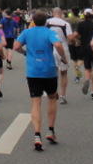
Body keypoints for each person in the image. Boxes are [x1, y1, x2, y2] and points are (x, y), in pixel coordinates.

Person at [13, 10, 66, 151]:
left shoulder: (27, 32)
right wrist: (64, 58)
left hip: (33, 71)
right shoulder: (49, 32)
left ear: (33, 21)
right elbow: (59, 45)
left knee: (36, 101)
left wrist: (25, 52)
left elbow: (16, 47)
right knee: (51, 98)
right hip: (48, 69)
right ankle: (51, 130)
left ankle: (37, 134)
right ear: (46, 22)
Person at [46, 8, 74, 105]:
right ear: (61, 13)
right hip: (62, 47)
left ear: (52, 13)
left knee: (53, 72)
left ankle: (53, 91)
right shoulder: (65, 24)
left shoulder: (47, 22)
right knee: (64, 73)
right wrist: (74, 42)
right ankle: (63, 96)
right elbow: (70, 37)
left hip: (50, 47)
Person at [75, 9, 93, 99]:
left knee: (87, 68)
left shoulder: (81, 24)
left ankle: (87, 79)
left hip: (85, 48)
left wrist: (77, 40)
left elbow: (75, 35)